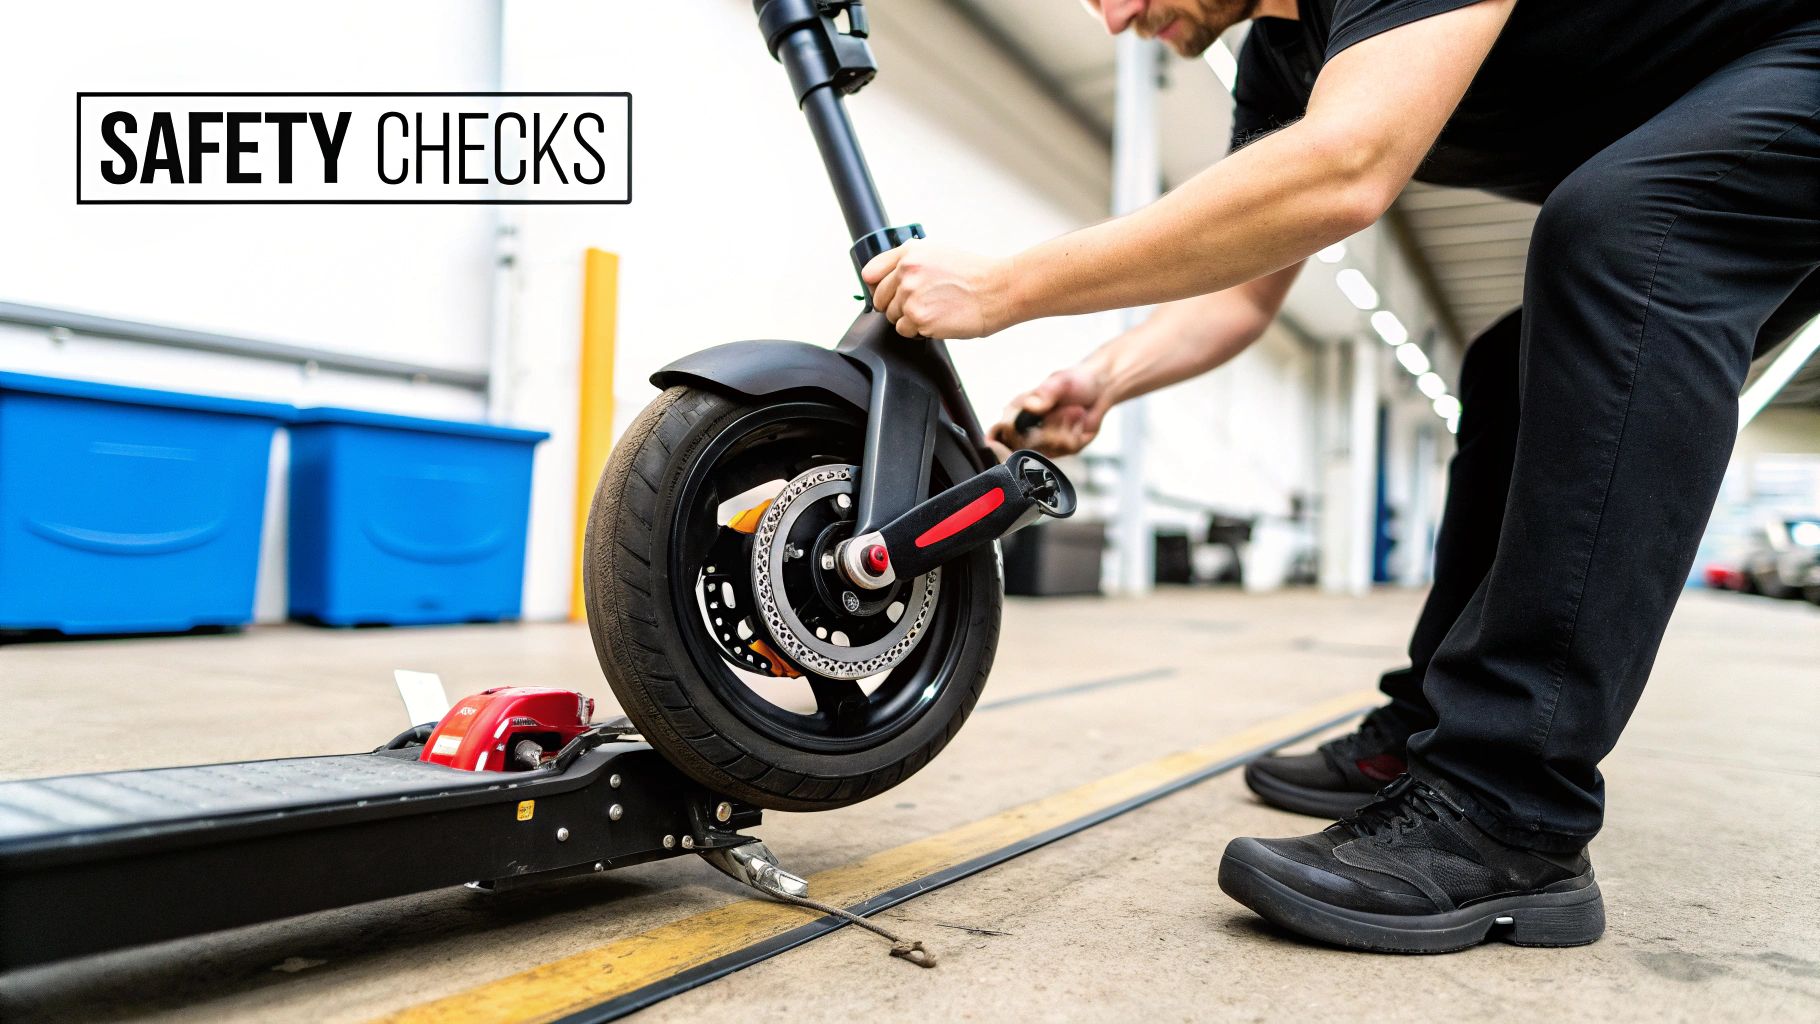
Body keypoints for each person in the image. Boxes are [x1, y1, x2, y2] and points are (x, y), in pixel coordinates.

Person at [859, 0, 1820, 953]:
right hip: (1744, 86)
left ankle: (1510, 810)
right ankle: (1432, 732)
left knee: (1627, 235)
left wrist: (1006, 286)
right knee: (1512, 365)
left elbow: (1348, 168)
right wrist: (1103, 379)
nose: (1113, 20)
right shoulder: (1279, 64)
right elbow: (1242, 290)